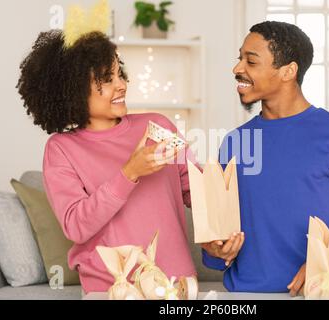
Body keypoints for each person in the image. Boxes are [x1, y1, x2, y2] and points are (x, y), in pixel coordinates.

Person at [201, 21, 329, 296]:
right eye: (239, 59)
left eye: (251, 61)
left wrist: (325, 266)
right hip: (245, 295)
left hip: (317, 293)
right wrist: (215, 247)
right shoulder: (235, 142)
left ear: (288, 70)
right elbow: (217, 241)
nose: (237, 69)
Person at [17, 29, 198, 294]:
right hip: (111, 289)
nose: (121, 85)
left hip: (175, 284)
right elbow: (76, 226)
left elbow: (196, 192)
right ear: (74, 90)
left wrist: (222, 231)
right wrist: (129, 173)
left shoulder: (157, 125)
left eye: (119, 74)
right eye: (106, 79)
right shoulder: (61, 149)